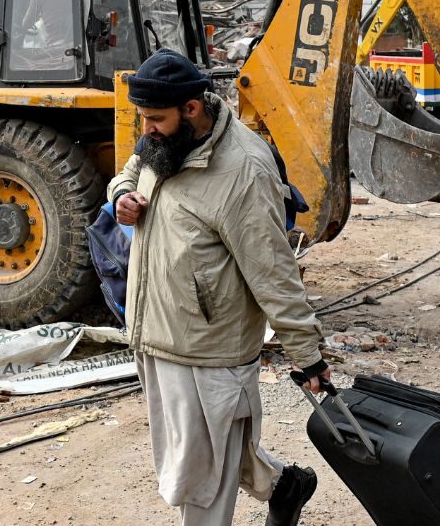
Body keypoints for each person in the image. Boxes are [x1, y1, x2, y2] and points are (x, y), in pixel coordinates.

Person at [108, 48, 330, 526]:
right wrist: (123, 195)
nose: (145, 129)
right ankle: (284, 485)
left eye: (154, 119)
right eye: (142, 118)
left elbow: (274, 272)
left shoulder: (243, 170)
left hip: (210, 351)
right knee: (215, 451)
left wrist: (307, 354)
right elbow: (130, 170)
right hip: (156, 334)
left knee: (202, 479)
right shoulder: (164, 139)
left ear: (192, 108)